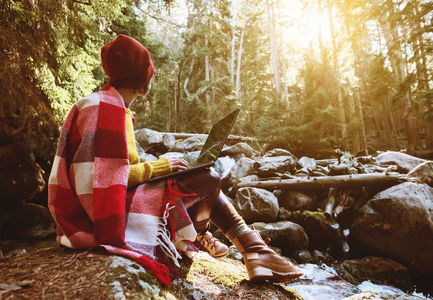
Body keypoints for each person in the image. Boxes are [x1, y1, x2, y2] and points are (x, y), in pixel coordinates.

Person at [48, 34, 302, 286]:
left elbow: (109, 172)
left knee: (203, 177)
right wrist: (159, 167)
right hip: (102, 214)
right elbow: (102, 181)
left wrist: (163, 168)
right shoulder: (106, 110)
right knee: (209, 179)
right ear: (142, 80)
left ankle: (250, 250)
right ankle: (250, 250)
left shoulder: (104, 105)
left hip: (105, 204)